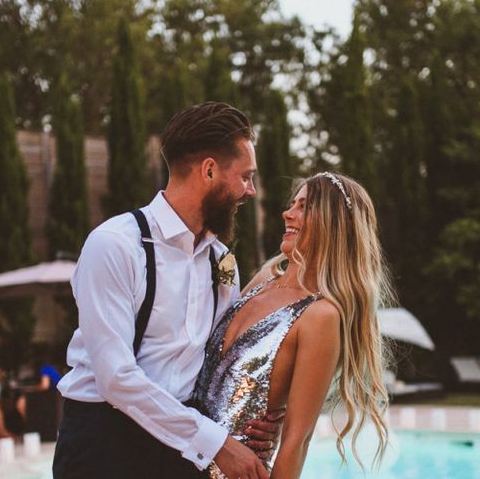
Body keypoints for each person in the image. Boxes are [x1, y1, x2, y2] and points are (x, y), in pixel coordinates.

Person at [53, 102, 278, 479]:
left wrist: (257, 420)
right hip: (102, 443)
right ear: (209, 170)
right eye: (245, 177)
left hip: (181, 448)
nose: (250, 191)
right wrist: (217, 444)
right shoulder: (115, 244)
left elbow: (218, 364)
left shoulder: (221, 261)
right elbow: (116, 379)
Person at [192, 172, 394, 478]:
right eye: (293, 204)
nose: (288, 213)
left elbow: (297, 442)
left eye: (304, 207)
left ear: (333, 223)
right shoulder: (262, 281)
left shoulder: (321, 315)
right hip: (179, 457)